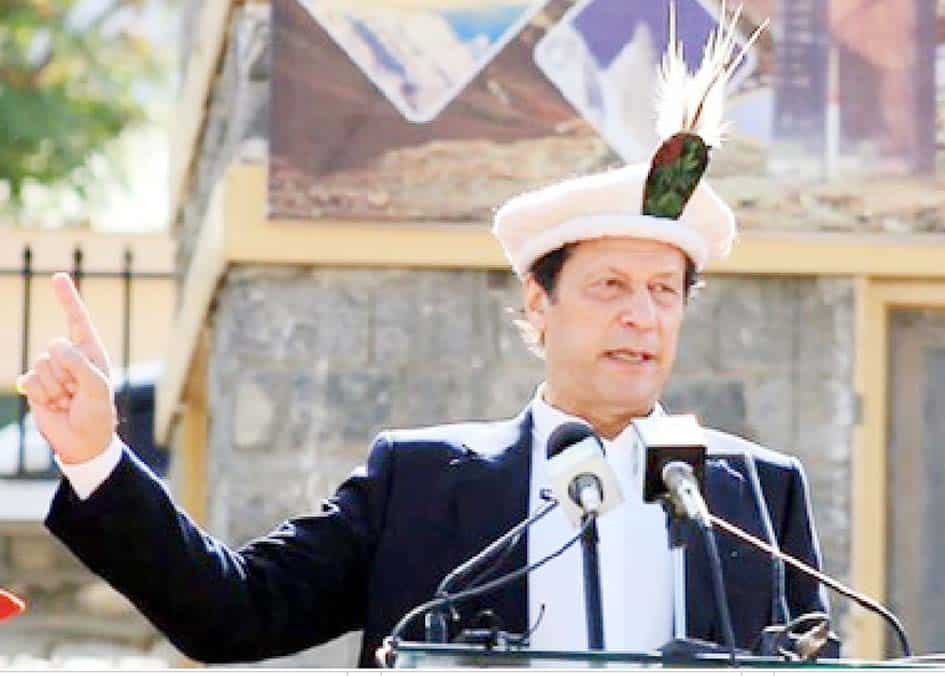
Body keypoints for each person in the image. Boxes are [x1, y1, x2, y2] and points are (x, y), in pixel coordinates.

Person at [21, 7, 832, 667]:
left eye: (663, 292)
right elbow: (233, 611)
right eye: (609, 287)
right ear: (538, 304)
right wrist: (96, 457)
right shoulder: (417, 483)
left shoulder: (756, 494)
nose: (641, 316)